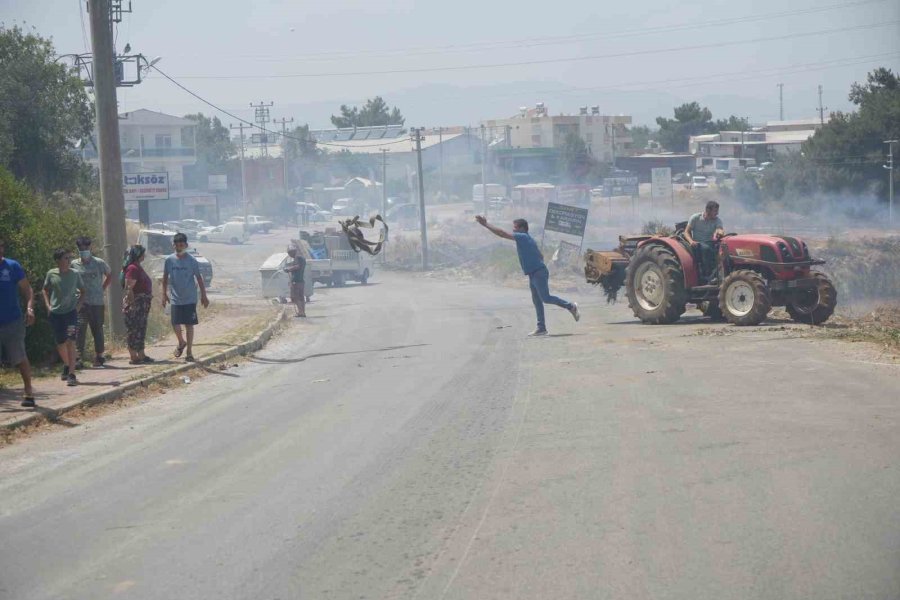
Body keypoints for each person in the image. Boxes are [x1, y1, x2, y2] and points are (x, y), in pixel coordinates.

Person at [475, 216, 579, 336]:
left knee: (545, 298)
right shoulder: (528, 239)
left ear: (522, 228)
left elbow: (501, 233)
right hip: (534, 273)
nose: (513, 231)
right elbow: (540, 255)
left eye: (515, 228)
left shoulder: (523, 237)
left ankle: (571, 306)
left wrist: (486, 224)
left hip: (538, 272)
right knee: (537, 300)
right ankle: (541, 328)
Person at [0, 238, 36, 407]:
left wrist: (30, 308)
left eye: (0, 246)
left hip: (12, 321)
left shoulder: (12, 266)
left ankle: (28, 391)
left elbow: (27, 289)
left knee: (19, 357)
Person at [161, 232, 209, 362]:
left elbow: (199, 278)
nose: (179, 247)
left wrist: (204, 295)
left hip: (189, 298)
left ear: (186, 245)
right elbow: (165, 278)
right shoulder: (169, 260)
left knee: (189, 325)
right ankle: (181, 342)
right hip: (175, 298)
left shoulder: (192, 261)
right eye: (177, 245)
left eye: (182, 245)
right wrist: (164, 294)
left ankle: (189, 352)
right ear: (173, 246)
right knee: (175, 323)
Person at [42, 248, 85, 386]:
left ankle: (72, 374)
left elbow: (83, 291)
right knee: (60, 343)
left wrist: (77, 308)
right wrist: (48, 305)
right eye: (66, 258)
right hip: (56, 313)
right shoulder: (51, 273)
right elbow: (45, 289)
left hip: (71, 313)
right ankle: (67, 364)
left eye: (69, 258)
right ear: (58, 261)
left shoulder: (75, 274)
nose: (69, 261)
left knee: (71, 341)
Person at [71, 236, 111, 368]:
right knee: (79, 330)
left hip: (97, 302)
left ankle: (99, 356)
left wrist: (102, 288)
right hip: (81, 303)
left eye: (86, 248)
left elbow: (109, 275)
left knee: (97, 330)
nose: (84, 250)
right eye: (81, 248)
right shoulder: (74, 264)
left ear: (90, 248)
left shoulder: (99, 263)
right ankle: (77, 358)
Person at [121, 245, 154, 365]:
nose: (144, 255)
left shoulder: (137, 267)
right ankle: (133, 356)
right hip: (136, 304)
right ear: (138, 254)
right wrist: (132, 305)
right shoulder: (133, 268)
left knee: (141, 329)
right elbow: (129, 288)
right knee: (134, 330)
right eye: (143, 253)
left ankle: (141, 354)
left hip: (142, 305)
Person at [684, 200, 725, 283]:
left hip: (710, 243)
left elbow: (720, 229)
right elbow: (686, 232)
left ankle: (721, 273)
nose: (717, 213)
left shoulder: (717, 220)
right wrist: (691, 241)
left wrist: (720, 232)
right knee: (706, 249)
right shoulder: (695, 218)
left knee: (724, 249)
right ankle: (708, 276)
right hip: (698, 243)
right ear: (708, 210)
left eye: (717, 211)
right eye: (715, 211)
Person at [283, 244, 307, 318]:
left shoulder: (297, 257)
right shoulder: (302, 258)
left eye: (290, 253)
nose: (289, 255)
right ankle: (302, 312)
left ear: (292, 252)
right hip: (301, 281)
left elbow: (297, 266)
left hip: (296, 281)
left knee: (294, 297)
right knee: (301, 297)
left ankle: (300, 312)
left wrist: (288, 269)